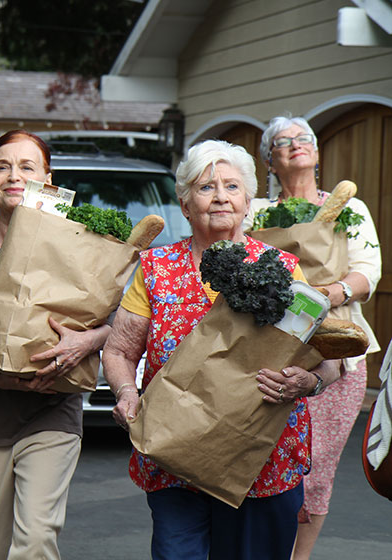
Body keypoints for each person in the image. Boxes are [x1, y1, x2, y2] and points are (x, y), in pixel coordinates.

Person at [102, 139, 342, 560]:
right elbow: (120, 351)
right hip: (175, 452)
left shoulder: (285, 270)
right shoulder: (156, 269)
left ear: (249, 201)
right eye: (205, 187)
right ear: (185, 203)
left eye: (231, 187)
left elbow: (330, 359)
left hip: (262, 458)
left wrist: (308, 382)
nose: (219, 197)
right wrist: (126, 393)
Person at [0, 129, 111, 560]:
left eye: (27, 166)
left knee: (34, 543)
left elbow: (123, 318)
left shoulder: (84, 247)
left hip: (52, 412)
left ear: (47, 178)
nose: (13, 175)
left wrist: (89, 340)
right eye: (2, 166)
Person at [245, 115, 382, 559]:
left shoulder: (349, 209)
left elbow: (368, 271)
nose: (295, 145)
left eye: (303, 138)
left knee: (317, 471)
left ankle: (297, 557)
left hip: (339, 352)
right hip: (271, 350)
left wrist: (327, 293)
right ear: (269, 159)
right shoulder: (256, 214)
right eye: (282, 142)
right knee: (266, 464)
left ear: (317, 153)